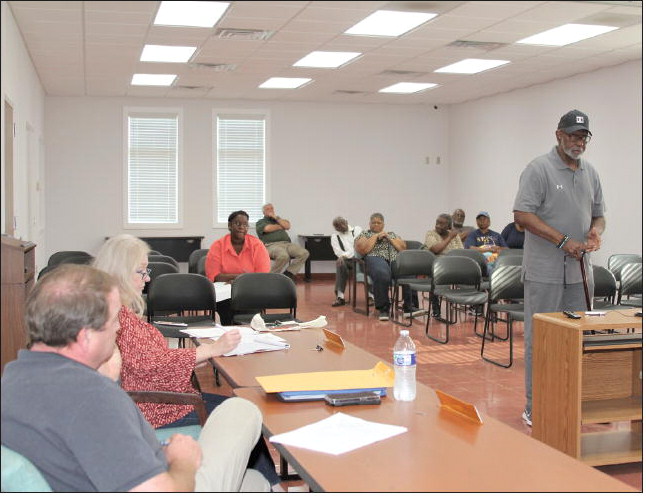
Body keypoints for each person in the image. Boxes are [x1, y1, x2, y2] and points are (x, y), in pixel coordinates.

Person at [1, 264, 269, 492]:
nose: (119, 327)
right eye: (113, 320)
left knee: (254, 484)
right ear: (85, 336)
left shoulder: (14, 377)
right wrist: (182, 460)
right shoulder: (90, 397)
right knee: (242, 409)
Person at [92, 234, 281, 488]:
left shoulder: (118, 312)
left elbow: (146, 363)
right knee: (245, 417)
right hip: (158, 408)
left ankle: (262, 484)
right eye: (141, 272)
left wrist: (192, 359)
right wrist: (210, 350)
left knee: (241, 411)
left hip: (157, 398)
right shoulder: (120, 317)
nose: (147, 278)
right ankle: (268, 486)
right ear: (120, 273)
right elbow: (151, 365)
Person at [513, 109, 605, 428]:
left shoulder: (590, 172)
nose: (578, 142)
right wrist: (561, 239)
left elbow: (598, 214)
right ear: (558, 135)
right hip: (544, 272)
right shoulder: (539, 169)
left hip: (580, 273)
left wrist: (596, 231)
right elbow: (522, 215)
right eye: (572, 136)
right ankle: (534, 405)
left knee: (580, 338)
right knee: (541, 340)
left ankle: (577, 401)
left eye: (583, 137)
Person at [205, 210, 271, 324]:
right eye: (238, 223)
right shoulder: (218, 246)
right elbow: (214, 275)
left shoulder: (257, 245)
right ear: (229, 226)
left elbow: (262, 276)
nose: (242, 227)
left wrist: (237, 280)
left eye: (245, 224)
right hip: (225, 296)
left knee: (249, 320)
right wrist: (243, 278)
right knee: (228, 319)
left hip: (251, 292)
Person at [355, 213, 423, 321]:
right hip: (375, 257)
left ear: (383, 224)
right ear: (369, 224)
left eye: (379, 222)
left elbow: (403, 248)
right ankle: (383, 309)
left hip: (394, 258)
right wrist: (376, 236)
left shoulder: (391, 234)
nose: (376, 225)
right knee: (382, 273)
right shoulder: (365, 234)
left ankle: (409, 307)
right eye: (374, 222)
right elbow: (362, 249)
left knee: (408, 272)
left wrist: (389, 238)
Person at [255, 203, 309, 281]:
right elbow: (267, 229)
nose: (270, 210)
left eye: (272, 208)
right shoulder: (261, 222)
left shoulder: (279, 220)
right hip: (271, 245)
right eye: (267, 209)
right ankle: (270, 277)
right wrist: (281, 226)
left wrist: (276, 218)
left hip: (287, 244)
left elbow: (287, 226)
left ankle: (288, 274)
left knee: (304, 253)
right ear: (263, 212)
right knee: (283, 256)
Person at [424, 213, 464, 317]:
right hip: (438, 265)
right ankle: (435, 306)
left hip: (454, 264)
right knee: (436, 273)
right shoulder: (431, 234)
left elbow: (461, 252)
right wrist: (449, 238)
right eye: (437, 222)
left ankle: (474, 304)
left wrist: (452, 236)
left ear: (449, 226)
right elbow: (436, 250)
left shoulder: (455, 236)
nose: (438, 225)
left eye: (441, 224)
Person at [330, 216, 362, 307]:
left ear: (346, 222)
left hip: (360, 259)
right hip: (347, 261)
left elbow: (357, 248)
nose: (339, 227)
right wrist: (343, 256)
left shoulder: (356, 230)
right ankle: (340, 297)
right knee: (340, 262)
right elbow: (338, 252)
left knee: (369, 261)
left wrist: (344, 255)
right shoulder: (335, 237)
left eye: (341, 224)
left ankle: (371, 296)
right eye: (337, 226)